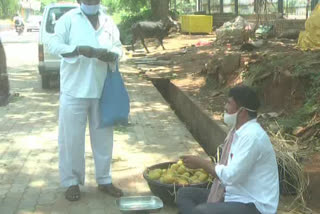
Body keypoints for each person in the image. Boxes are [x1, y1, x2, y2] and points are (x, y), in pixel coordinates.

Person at [46, 0, 123, 201]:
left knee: (104, 138)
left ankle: (104, 179)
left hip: (102, 89)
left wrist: (112, 55)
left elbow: (119, 47)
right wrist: (78, 49)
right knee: (71, 139)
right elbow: (52, 43)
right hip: (74, 90)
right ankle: (71, 182)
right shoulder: (69, 19)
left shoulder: (108, 21)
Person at [177, 85, 279, 214]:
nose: (225, 107)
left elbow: (230, 176)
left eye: (229, 103)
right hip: (233, 196)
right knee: (184, 194)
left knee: (201, 211)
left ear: (242, 111)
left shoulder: (252, 137)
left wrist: (202, 164)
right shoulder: (237, 133)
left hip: (254, 205)